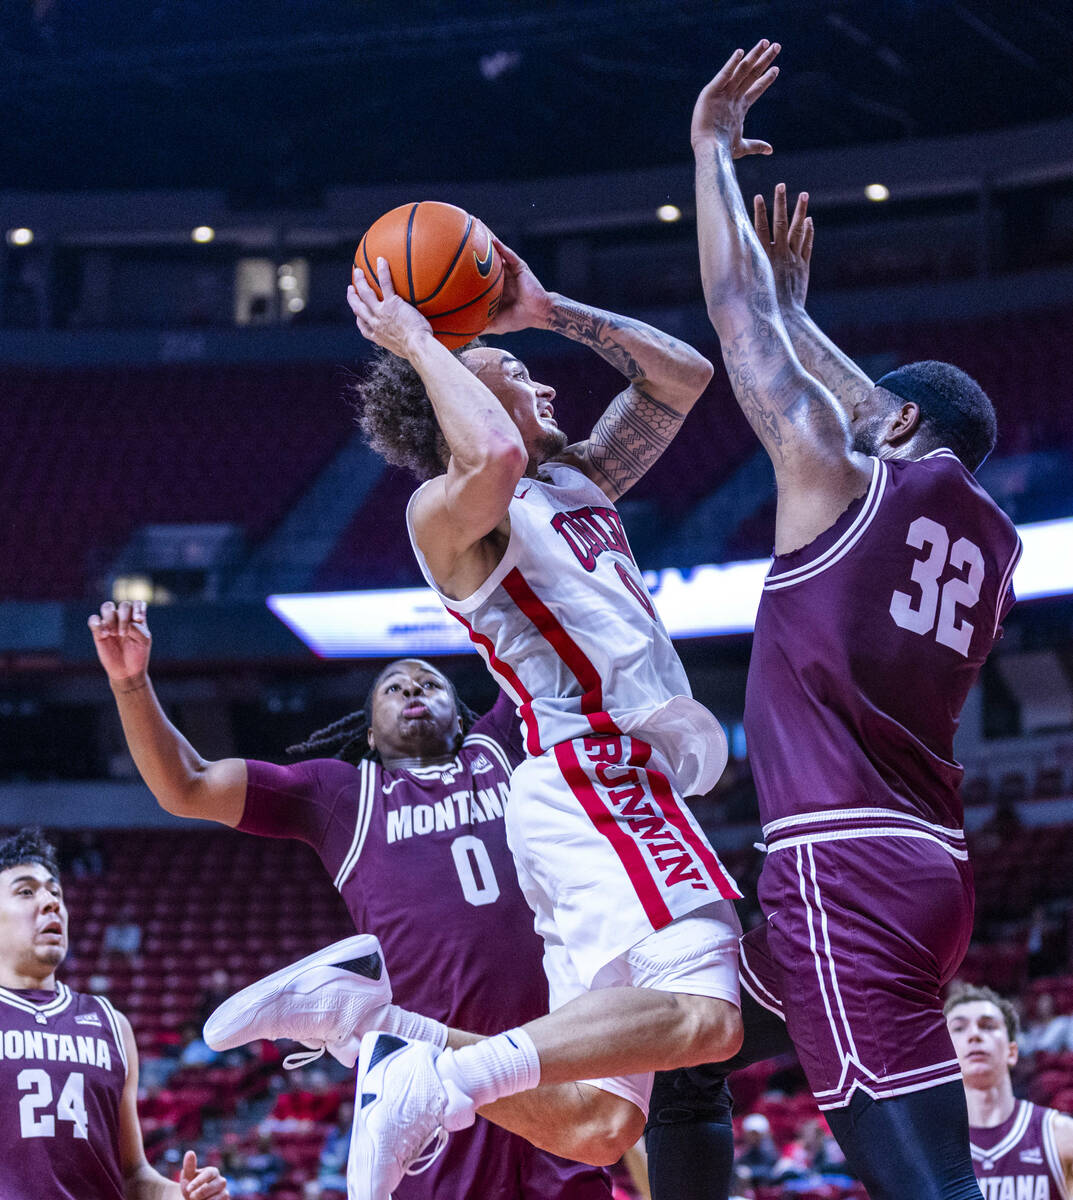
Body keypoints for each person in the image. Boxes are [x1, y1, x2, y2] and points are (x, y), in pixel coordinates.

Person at [658, 38, 1023, 1200]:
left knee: (925, 1191)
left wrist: (709, 146)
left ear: (896, 430)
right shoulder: (990, 544)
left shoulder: (836, 475)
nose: (848, 414)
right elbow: (872, 406)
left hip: (839, 872)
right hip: (927, 871)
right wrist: (798, 316)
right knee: (689, 1059)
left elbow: (732, 316)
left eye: (873, 411)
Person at [336, 198, 744, 1199]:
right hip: (599, 771)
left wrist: (543, 310)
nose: (539, 379)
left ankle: (387, 1039)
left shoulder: (578, 478)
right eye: (510, 377)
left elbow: (684, 377)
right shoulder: (445, 512)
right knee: (711, 1021)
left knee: (602, 1126)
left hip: (585, 790)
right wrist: (424, 343)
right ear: (450, 410)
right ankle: (438, 1076)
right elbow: (495, 454)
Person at [89, 602, 613, 1199]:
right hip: (427, 1085)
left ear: (462, 714)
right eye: (393, 687)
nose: (413, 688)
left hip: (547, 1056)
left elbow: (551, 651)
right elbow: (188, 785)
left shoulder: (503, 746)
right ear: (368, 733)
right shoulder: (342, 793)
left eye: (430, 682)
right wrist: (130, 683)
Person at [0, 826, 228, 1200]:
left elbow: (133, 1175)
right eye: (26, 891)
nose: (50, 902)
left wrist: (183, 1195)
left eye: (56, 892)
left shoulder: (111, 1024)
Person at [945, 984, 1073, 1199]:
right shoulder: (926, 1151)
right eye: (959, 1028)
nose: (974, 1035)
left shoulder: (1062, 1136)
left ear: (1012, 1052)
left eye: (988, 1026)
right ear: (945, 1055)